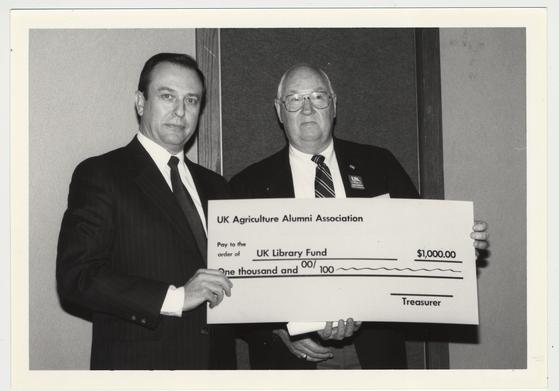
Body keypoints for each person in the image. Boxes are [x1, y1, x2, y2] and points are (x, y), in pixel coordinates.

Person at [230, 63, 489, 369]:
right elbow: (233, 289)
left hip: (375, 352)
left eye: (318, 96)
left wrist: (458, 248)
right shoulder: (247, 185)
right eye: (295, 99)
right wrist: (280, 331)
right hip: (292, 360)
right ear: (279, 110)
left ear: (334, 104)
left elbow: (421, 249)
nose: (308, 108)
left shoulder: (380, 165)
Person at [56, 53, 235, 370]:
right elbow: (77, 278)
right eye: (168, 96)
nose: (180, 112)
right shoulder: (102, 174)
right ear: (140, 102)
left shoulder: (217, 185)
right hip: (141, 370)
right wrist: (176, 297)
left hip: (216, 370)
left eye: (191, 101)